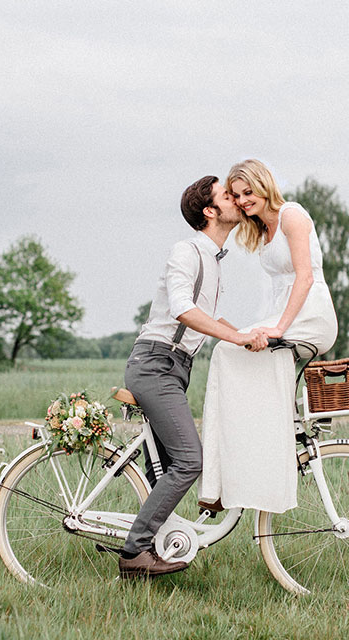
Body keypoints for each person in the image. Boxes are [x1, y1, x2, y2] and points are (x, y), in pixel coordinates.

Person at [117, 175, 267, 579]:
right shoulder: (186, 251)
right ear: (210, 211)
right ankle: (134, 553)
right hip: (155, 364)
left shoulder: (215, 260)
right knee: (189, 459)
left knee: (166, 467)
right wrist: (234, 335)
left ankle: (155, 540)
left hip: (174, 367)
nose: (238, 199)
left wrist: (255, 336)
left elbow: (208, 320)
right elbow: (184, 309)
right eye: (228, 196)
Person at [198, 159, 338, 514]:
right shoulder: (261, 230)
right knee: (225, 350)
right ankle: (221, 478)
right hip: (284, 313)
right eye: (237, 195)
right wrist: (253, 326)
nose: (244, 201)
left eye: (248, 192)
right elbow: (277, 288)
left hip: (310, 314)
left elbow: (304, 278)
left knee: (230, 353)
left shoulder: (291, 215)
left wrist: (276, 328)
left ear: (264, 186)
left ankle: (252, 468)